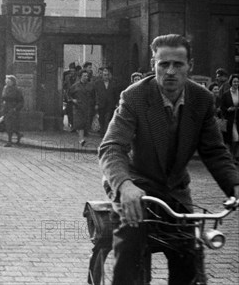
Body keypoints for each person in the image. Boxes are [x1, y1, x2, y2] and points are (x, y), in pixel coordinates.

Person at [99, 34, 239, 285]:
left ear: (190, 66)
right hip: (136, 188)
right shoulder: (134, 97)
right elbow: (112, 146)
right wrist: (125, 185)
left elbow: (214, 151)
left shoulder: (202, 99)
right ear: (154, 65)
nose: (171, 71)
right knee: (130, 249)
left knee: (189, 259)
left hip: (175, 192)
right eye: (163, 64)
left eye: (178, 64)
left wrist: (234, 185)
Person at [68, 69, 96, 146]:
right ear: (80, 76)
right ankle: (81, 139)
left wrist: (95, 104)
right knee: (80, 124)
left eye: (87, 76)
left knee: (85, 124)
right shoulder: (75, 86)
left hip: (88, 107)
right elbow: (68, 95)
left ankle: (81, 137)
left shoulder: (91, 86)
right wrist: (73, 100)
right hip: (78, 107)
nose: (86, 77)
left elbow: (94, 96)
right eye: (84, 76)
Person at [93, 67, 122, 137]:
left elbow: (116, 94)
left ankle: (106, 132)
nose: (106, 76)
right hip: (101, 104)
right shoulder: (97, 83)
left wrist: (117, 103)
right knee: (101, 118)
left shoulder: (113, 83)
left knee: (108, 118)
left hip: (110, 104)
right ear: (102, 75)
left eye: (107, 75)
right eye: (104, 75)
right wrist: (96, 103)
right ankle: (102, 132)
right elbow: (95, 94)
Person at [1, 75, 24, 147]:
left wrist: (16, 108)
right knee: (8, 125)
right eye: (6, 81)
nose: (7, 82)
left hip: (13, 109)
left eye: (9, 81)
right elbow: (3, 98)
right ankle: (18, 135)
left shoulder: (17, 89)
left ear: (13, 82)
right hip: (6, 108)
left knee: (11, 125)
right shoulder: (5, 88)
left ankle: (9, 141)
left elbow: (21, 101)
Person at [220, 73, 239, 160]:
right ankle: (232, 157)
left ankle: (232, 156)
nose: (236, 83)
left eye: (237, 82)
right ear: (231, 82)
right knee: (235, 138)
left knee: (235, 139)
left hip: (237, 119)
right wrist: (228, 109)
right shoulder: (226, 94)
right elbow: (222, 107)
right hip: (230, 120)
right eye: (234, 82)